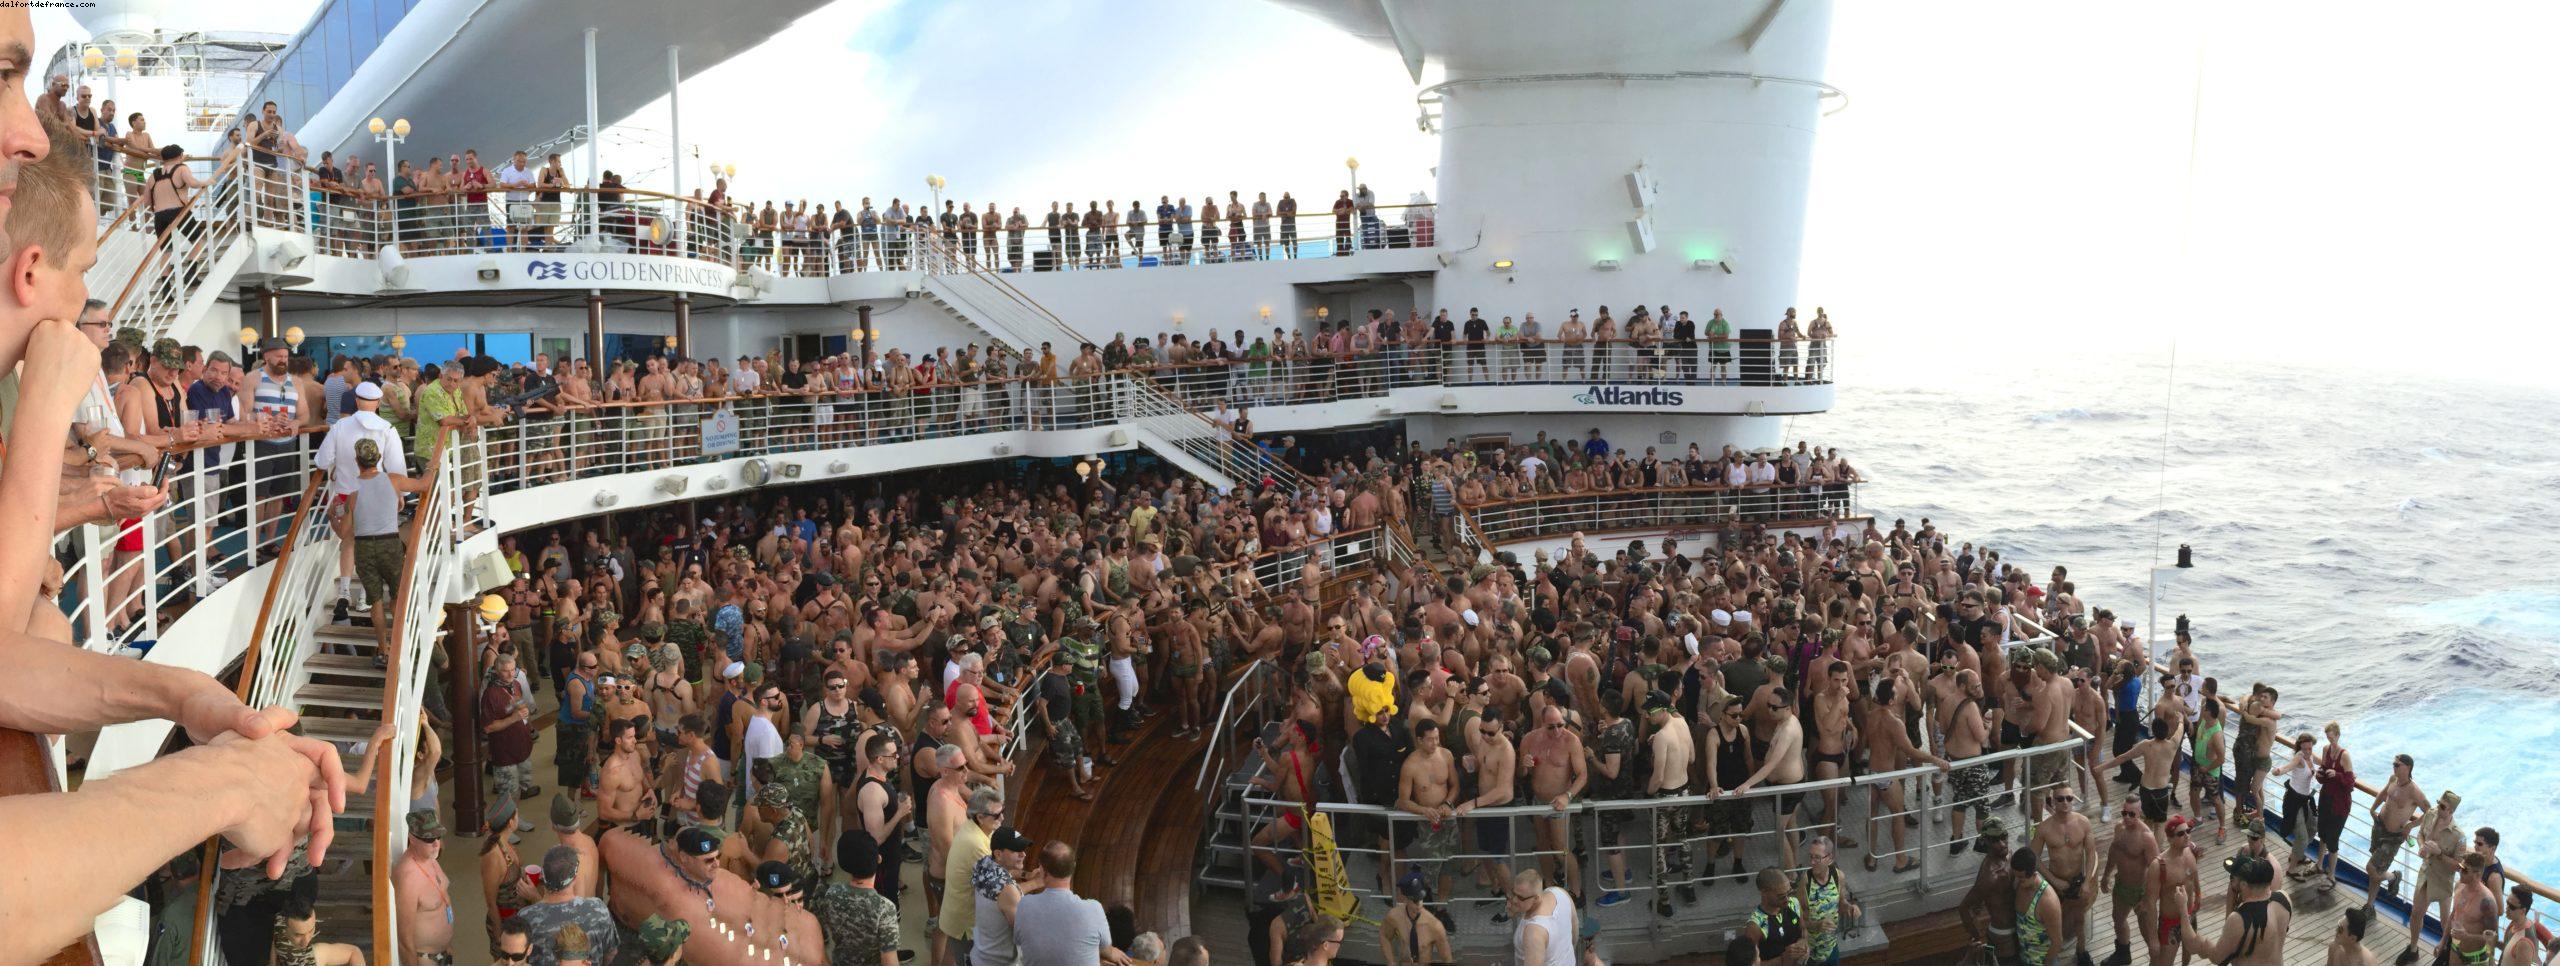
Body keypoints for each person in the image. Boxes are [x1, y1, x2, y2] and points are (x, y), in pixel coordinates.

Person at [1014, 840, 1129, 966]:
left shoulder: (1025, 905)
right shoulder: (1093, 908)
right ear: (1073, 867)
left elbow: (1020, 941)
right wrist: (1112, 953)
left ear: (1042, 870)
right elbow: (1106, 950)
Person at [2173, 852, 2288, 966]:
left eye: (2232, 878)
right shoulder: (2284, 899)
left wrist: (2182, 908)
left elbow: (2212, 954)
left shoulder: (2240, 919)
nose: (2231, 881)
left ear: (2243, 885)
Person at [514, 845, 617, 966]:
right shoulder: (598, 909)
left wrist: (533, 899)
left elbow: (516, 960)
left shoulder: (525, 917)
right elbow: (611, 954)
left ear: (542, 876)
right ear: (574, 879)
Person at [970, 825, 1033, 966]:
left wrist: (1029, 877)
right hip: (999, 962)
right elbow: (1023, 934)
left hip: (980, 954)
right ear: (998, 854)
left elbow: (1007, 881)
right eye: (1017, 850)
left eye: (1023, 849)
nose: (1023, 854)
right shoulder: (1007, 889)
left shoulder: (984, 863)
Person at [1380, 872, 1452, 966]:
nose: (1419, 904)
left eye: (1421, 898)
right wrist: (1391, 962)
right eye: (1415, 900)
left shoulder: (1435, 926)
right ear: (1405, 899)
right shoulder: (1394, 916)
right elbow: (1384, 936)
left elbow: (1447, 959)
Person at [1511, 868, 1577, 966]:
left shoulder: (1534, 932)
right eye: (1513, 894)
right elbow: (1574, 929)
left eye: (1520, 897)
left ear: (1536, 898)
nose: (1514, 900)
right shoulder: (1560, 893)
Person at [1744, 866, 1806, 966]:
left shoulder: (1794, 903)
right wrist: (1782, 960)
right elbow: (1750, 964)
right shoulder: (1755, 926)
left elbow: (1804, 928)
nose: (1787, 899)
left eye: (1789, 892)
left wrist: (1803, 941)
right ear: (1764, 892)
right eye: (1781, 896)